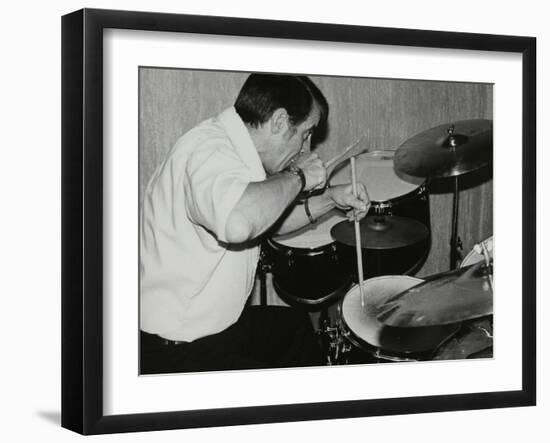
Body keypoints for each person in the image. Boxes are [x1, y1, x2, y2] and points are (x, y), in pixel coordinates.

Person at [140, 73, 369, 374]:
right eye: (305, 133)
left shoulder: (232, 151)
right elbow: (238, 223)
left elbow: (263, 221)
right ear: (279, 121)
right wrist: (299, 177)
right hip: (177, 347)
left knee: (295, 328)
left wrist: (329, 200)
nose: (305, 147)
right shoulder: (210, 152)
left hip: (211, 327)